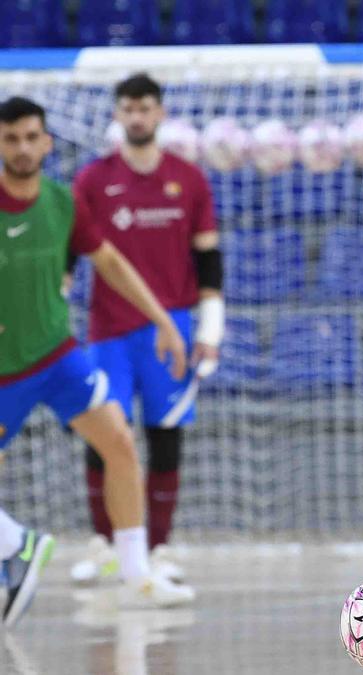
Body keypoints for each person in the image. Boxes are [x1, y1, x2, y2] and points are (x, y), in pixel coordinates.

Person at [0, 96, 195, 626]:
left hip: (59, 357)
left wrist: (161, 319)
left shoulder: (62, 201)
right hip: (2, 372)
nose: (21, 148)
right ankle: (18, 544)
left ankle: (138, 573)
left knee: (120, 445)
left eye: (29, 137)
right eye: (10, 138)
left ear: (45, 142)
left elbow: (108, 261)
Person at [70, 73, 223, 586]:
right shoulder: (92, 180)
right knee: (103, 435)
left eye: (146, 108)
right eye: (128, 108)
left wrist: (212, 329)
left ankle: (157, 549)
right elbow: (70, 256)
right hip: (108, 330)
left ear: (160, 114)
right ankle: (105, 542)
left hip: (171, 330)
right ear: (117, 114)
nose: (137, 117)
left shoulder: (190, 179)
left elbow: (208, 261)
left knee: (165, 437)